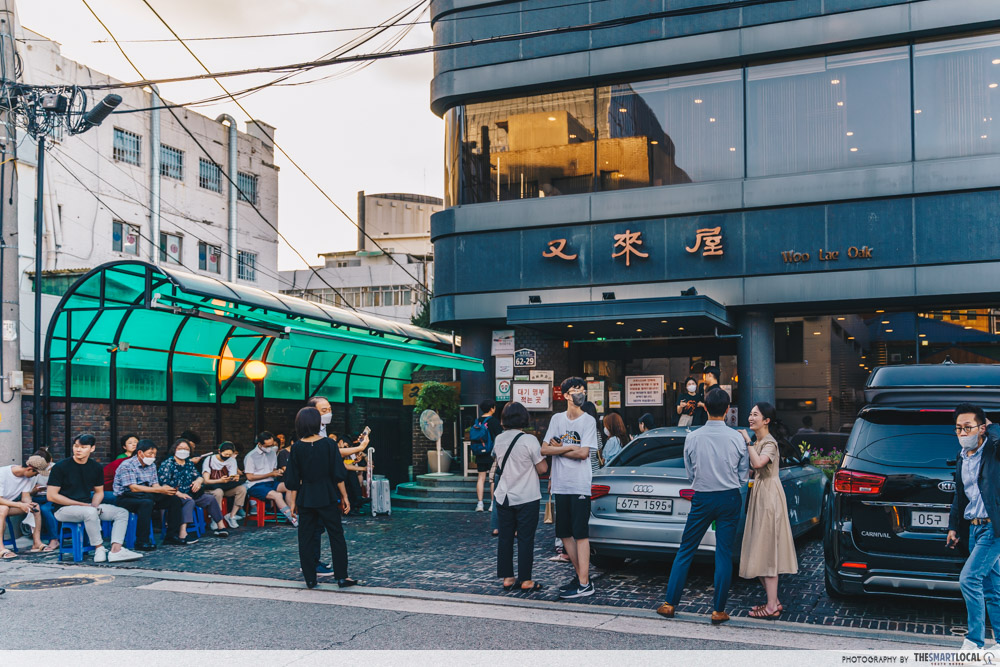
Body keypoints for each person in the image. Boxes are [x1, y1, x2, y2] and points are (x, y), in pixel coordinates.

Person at [657, 387, 748, 625]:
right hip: (729, 497)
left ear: (704, 407)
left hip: (702, 497)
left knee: (686, 549)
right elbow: (743, 477)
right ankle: (718, 610)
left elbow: (689, 471)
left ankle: (670, 603)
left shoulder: (693, 437)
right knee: (723, 554)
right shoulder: (737, 438)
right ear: (728, 410)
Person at [286, 406, 358, 590]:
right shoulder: (329, 444)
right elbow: (338, 474)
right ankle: (342, 577)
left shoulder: (296, 448)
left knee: (306, 537)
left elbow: (293, 480)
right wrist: (345, 496)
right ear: (317, 423)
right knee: (336, 535)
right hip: (327, 495)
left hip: (306, 497)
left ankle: (310, 578)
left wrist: (292, 503)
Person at [541, 376, 600, 600]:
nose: (580, 393)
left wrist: (561, 447)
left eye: (583, 390)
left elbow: (584, 453)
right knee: (564, 534)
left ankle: (584, 583)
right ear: (565, 395)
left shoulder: (588, 421)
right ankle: (582, 577)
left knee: (581, 533)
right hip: (561, 484)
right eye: (576, 390)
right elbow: (544, 450)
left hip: (579, 484)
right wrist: (568, 449)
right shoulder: (557, 419)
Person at [738, 402, 799, 619]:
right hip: (760, 495)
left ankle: (772, 606)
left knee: (768, 551)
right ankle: (773, 602)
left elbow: (758, 464)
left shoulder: (769, 443)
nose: (750, 417)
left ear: (766, 420)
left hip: (770, 497)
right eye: (750, 413)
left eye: (755, 414)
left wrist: (747, 443)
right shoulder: (759, 441)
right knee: (760, 549)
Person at [947, 403, 1000, 650]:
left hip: (994, 529)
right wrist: (954, 527)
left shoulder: (994, 452)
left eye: (968, 427)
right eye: (959, 428)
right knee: (992, 588)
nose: (962, 433)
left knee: (969, 579)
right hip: (975, 529)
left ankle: (975, 642)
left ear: (981, 428)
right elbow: (960, 494)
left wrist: (993, 428)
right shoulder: (962, 458)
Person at [47, 434, 142, 563]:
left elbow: (99, 492)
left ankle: (116, 550)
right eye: (76, 446)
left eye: (83, 447)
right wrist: (85, 506)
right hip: (63, 510)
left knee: (121, 512)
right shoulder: (60, 467)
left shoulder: (96, 467)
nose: (78, 450)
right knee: (90, 512)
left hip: (88, 507)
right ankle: (99, 548)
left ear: (92, 449)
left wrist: (95, 505)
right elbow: (52, 496)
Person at [494, 401, 548, 592]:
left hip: (504, 496)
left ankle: (508, 578)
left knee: (505, 538)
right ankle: (526, 580)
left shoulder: (498, 439)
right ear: (524, 418)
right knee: (525, 538)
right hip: (526, 496)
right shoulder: (529, 440)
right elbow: (542, 469)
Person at [114, 439, 189, 548]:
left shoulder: (152, 465)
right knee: (146, 503)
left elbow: (155, 485)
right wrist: (159, 490)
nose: (152, 456)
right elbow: (133, 488)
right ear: (140, 453)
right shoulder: (127, 465)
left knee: (174, 500)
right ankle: (142, 541)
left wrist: (165, 490)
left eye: (154, 454)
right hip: (126, 497)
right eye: (150, 453)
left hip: (146, 494)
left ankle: (171, 536)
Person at [159, 438, 229, 538]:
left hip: (191, 492)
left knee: (210, 499)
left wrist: (198, 481)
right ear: (175, 449)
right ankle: (183, 532)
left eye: (186, 449)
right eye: (180, 448)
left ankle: (221, 526)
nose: (183, 451)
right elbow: (164, 483)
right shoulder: (168, 464)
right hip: (175, 495)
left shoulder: (188, 463)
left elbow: (199, 476)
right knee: (189, 501)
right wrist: (178, 493)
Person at [0, 455, 51, 557]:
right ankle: (0, 548)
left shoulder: (27, 477)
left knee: (35, 506)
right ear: (29, 469)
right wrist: (19, 504)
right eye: (36, 473)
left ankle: (37, 543)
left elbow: (25, 497)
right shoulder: (2, 473)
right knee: (3, 508)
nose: (36, 476)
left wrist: (28, 504)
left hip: (8, 505)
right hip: (3, 506)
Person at [244, 431, 299, 526]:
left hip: (270, 482)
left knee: (290, 485)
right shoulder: (250, 456)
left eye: (272, 445)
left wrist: (278, 472)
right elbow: (249, 477)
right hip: (255, 485)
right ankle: (291, 518)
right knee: (277, 495)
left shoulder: (273, 453)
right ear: (260, 444)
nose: (270, 448)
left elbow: (273, 470)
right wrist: (270, 474)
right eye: (267, 446)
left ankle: (293, 513)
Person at [202, 442, 248, 529]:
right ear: (219, 451)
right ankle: (216, 518)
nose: (227, 456)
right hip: (211, 487)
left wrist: (234, 478)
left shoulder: (232, 460)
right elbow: (206, 481)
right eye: (225, 454)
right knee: (218, 492)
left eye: (230, 455)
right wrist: (220, 480)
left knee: (242, 489)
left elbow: (232, 475)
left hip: (226, 486)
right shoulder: (210, 459)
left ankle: (231, 516)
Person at [472, 399, 503, 512]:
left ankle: (479, 504)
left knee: (481, 478)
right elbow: (500, 436)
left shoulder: (477, 421)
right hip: (491, 453)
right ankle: (492, 504)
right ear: (492, 408)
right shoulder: (493, 421)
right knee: (492, 479)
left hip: (479, 452)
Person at [582, 401, 604, 473]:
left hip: (581, 470)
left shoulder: (579, 430)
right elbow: (599, 451)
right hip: (594, 470)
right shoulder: (596, 431)